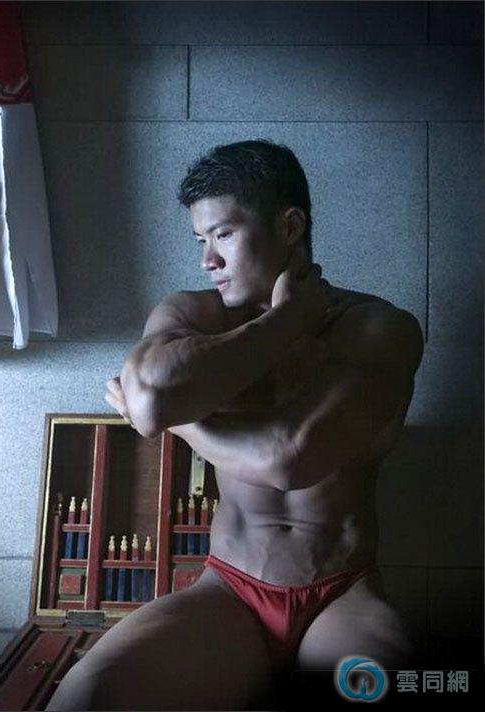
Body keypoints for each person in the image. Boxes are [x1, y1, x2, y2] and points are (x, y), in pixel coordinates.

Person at [47, 139, 424, 711]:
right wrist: (285, 321)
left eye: (223, 235)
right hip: (230, 591)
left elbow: (290, 459)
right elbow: (150, 399)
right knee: (86, 693)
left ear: (290, 226)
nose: (208, 260)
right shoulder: (192, 312)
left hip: (341, 597)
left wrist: (180, 424)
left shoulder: (378, 328)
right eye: (200, 240)